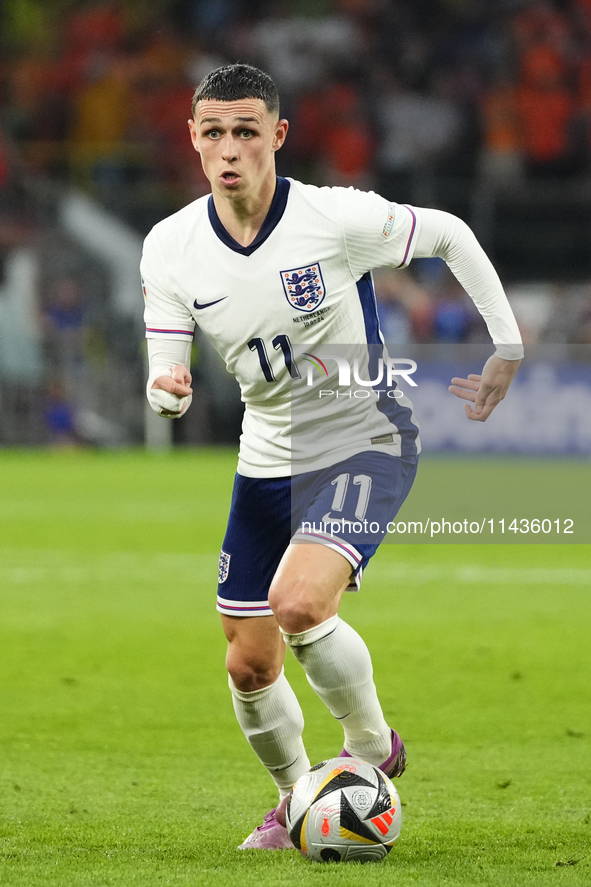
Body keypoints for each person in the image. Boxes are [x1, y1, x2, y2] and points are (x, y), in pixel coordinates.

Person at [141, 63, 523, 850]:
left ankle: (373, 746)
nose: (229, 148)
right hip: (264, 457)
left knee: (301, 604)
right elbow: (165, 369)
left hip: (364, 435)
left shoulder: (332, 219)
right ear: (193, 139)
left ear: (277, 136)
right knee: (248, 664)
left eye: (246, 130)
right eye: (213, 132)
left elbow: (449, 232)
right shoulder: (169, 248)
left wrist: (507, 345)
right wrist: (168, 391)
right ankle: (297, 800)